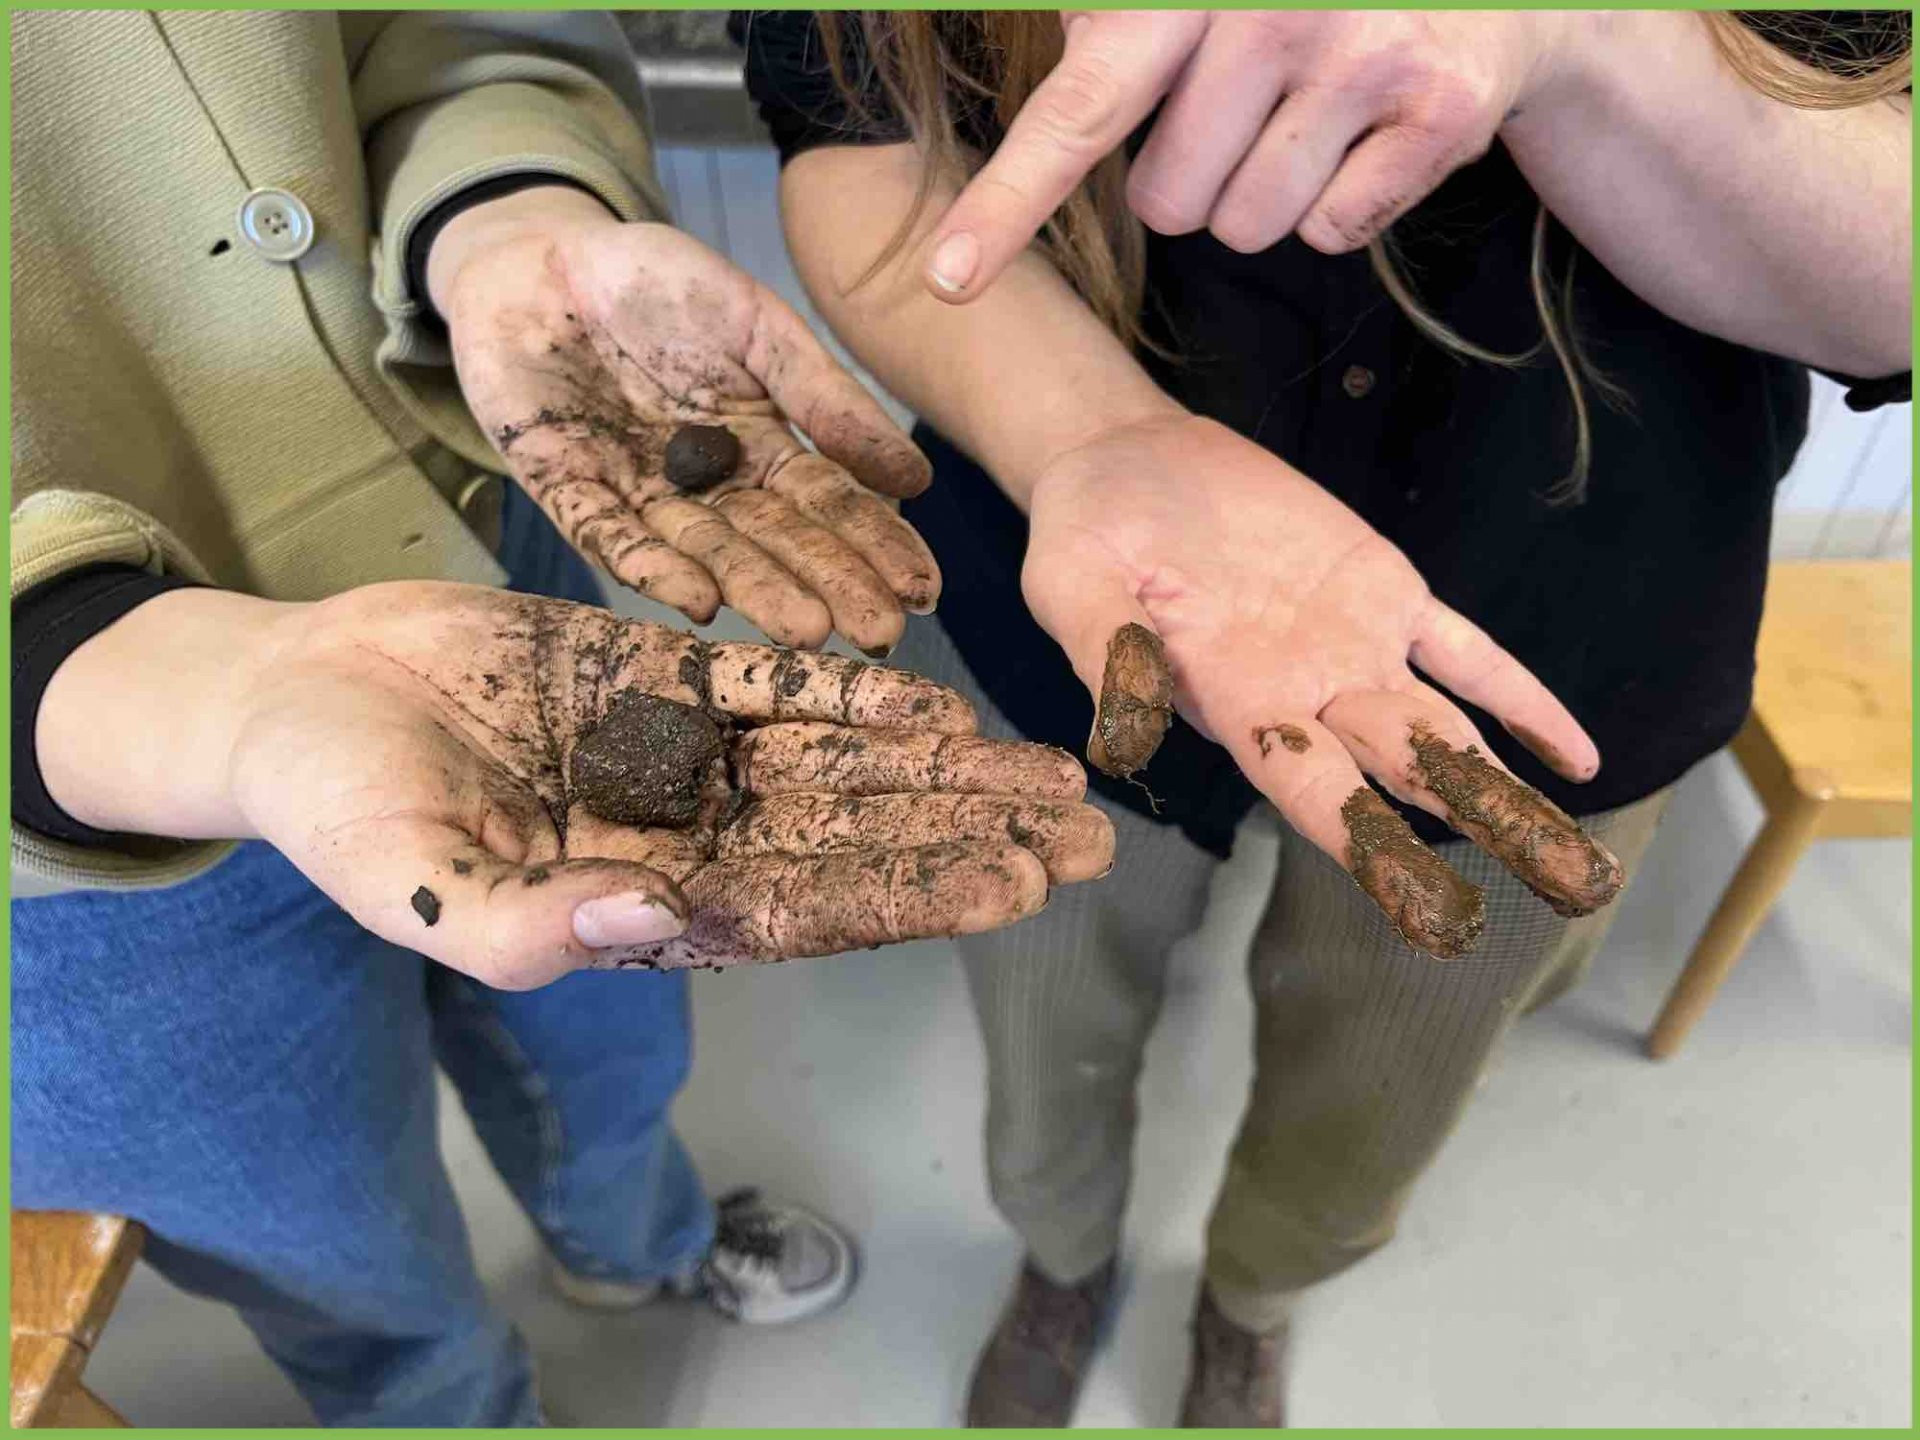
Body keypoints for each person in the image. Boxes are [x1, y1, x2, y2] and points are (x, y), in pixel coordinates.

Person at [737, 7, 1912, 1425]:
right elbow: (855, 136)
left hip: (1549, 645)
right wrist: (1091, 433)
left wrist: (1582, 41)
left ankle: (1253, 1304)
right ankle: (1061, 1259)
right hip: (1071, 579)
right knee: (1044, 1030)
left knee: (1378, 1094)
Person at [9, 11, 1112, 1426]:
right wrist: (126, 676)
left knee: (605, 1031)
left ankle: (632, 1243)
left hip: (471, 574)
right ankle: (451, 1406)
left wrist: (502, 216)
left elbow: (442, 37)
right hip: (63, 831)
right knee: (330, 1248)